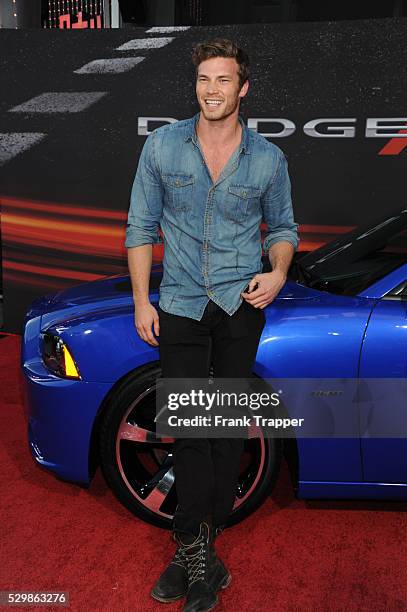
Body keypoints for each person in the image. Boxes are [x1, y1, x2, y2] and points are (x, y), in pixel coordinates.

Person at [125, 38, 299, 612]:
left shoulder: (268, 158)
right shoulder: (163, 146)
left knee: (223, 432)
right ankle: (198, 553)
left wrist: (276, 273)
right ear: (195, 85)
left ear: (242, 88)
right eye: (204, 79)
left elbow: (283, 231)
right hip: (177, 304)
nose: (212, 90)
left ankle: (196, 548)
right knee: (190, 428)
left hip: (238, 306)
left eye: (223, 80)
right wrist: (141, 301)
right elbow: (139, 229)